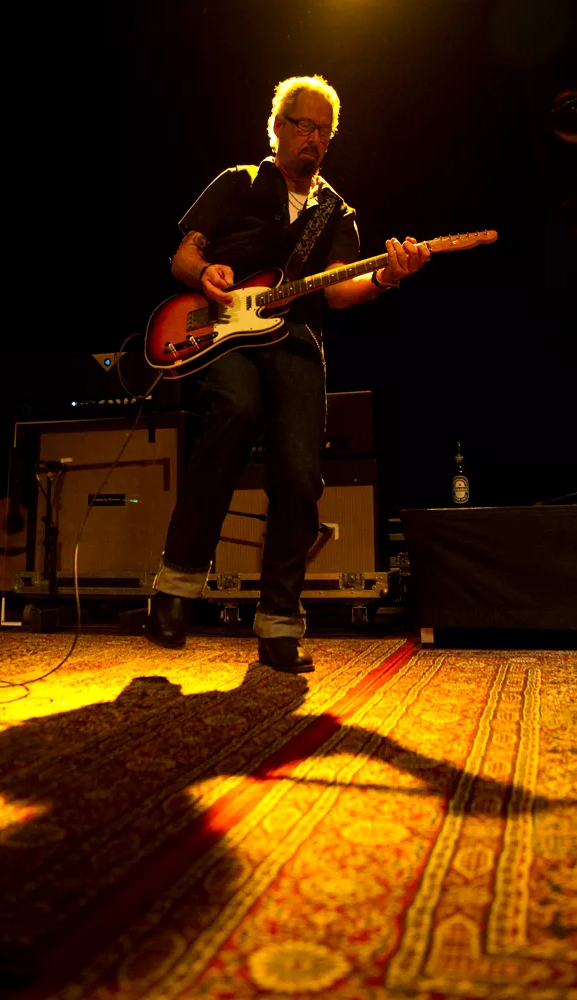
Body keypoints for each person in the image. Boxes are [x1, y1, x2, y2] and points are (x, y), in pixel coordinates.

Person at [144, 74, 430, 672]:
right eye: (304, 126)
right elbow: (184, 255)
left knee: (300, 473)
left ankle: (278, 622)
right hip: (223, 331)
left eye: (325, 132)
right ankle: (175, 589)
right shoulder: (239, 181)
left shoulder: (336, 212)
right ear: (277, 127)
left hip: (296, 337)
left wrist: (386, 276)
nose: (314, 139)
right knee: (235, 411)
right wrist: (205, 274)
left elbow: (339, 291)